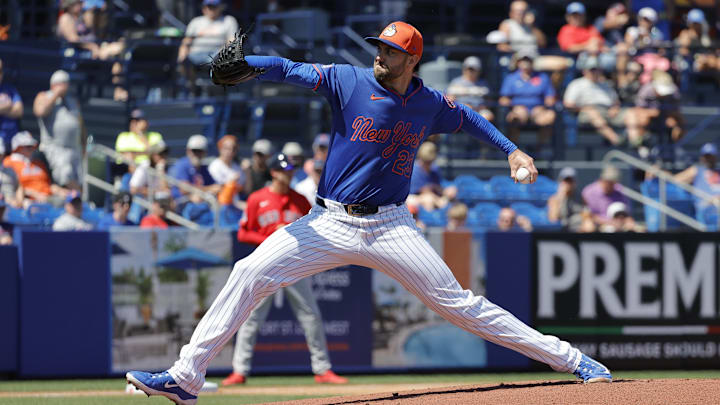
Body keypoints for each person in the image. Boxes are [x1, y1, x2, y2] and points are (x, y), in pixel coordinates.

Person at [126, 22, 611, 405]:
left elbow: (472, 120)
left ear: (411, 58)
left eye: (390, 50)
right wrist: (250, 64)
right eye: (378, 47)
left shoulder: (429, 103)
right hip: (327, 222)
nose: (379, 54)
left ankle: (573, 360)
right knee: (249, 271)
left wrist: (512, 151)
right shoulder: (348, 79)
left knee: (461, 307)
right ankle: (186, 377)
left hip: (390, 226)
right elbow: (292, 69)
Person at [222, 154, 348, 386]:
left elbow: (316, 232)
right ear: (273, 173)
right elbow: (243, 233)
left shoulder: (300, 200)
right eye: (283, 170)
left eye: (290, 170)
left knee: (310, 316)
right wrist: (271, 237)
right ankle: (239, 371)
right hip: (265, 264)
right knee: (250, 317)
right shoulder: (256, 199)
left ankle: (322, 370)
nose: (288, 174)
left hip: (295, 264)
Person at [33, 70, 85, 189]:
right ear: (53, 85)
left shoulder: (73, 100)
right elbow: (40, 111)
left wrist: (83, 144)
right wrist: (55, 95)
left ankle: (78, 203)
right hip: (55, 148)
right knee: (65, 178)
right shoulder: (44, 96)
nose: (64, 86)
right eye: (61, 83)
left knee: (80, 181)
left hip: (74, 148)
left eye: (66, 83)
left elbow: (80, 124)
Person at [563, 57, 627, 145]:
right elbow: (568, 104)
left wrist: (615, 108)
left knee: (633, 113)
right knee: (593, 113)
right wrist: (585, 108)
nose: (595, 72)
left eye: (597, 70)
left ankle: (637, 145)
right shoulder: (576, 84)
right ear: (584, 71)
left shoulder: (606, 84)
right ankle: (618, 141)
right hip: (585, 112)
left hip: (608, 111)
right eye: (592, 70)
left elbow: (616, 101)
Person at [178, 0, 238, 94]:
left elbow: (232, 42)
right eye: (208, 7)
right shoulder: (196, 22)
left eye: (214, 7)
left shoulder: (229, 20)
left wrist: (223, 51)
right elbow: (186, 42)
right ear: (203, 8)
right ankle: (192, 88)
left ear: (220, 8)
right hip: (196, 54)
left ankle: (217, 89)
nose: (211, 9)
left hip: (217, 54)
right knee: (184, 61)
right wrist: (181, 56)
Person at [499, 51, 556, 147]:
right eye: (523, 60)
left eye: (528, 60)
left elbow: (550, 97)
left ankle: (539, 149)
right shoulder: (511, 78)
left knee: (550, 117)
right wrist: (513, 106)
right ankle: (513, 151)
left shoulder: (543, 77)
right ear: (518, 62)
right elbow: (503, 99)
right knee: (514, 118)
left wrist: (546, 105)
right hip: (519, 110)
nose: (526, 63)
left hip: (538, 110)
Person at [2, 131, 67, 205]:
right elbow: (11, 187)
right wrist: (34, 194)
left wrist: (58, 190)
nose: (32, 149)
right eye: (28, 146)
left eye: (33, 146)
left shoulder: (38, 163)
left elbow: (47, 184)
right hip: (27, 201)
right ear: (17, 148)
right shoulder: (8, 162)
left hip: (49, 199)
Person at [625, 70, 683, 146]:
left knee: (676, 123)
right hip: (648, 118)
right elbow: (638, 109)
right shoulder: (646, 90)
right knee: (641, 118)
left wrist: (677, 125)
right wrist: (652, 113)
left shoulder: (674, 92)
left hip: (666, 116)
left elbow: (677, 111)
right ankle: (639, 144)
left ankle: (673, 146)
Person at [672, 143, 720, 222]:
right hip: (705, 206)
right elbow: (675, 179)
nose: (709, 159)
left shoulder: (718, 171)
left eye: (711, 157)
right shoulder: (697, 170)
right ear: (702, 157)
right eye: (707, 157)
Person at [168, 135, 220, 204]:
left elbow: (216, 186)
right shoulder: (182, 164)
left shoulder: (203, 168)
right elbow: (185, 189)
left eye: (200, 151)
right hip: (181, 203)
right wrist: (208, 189)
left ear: (205, 153)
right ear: (188, 151)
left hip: (199, 203)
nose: (197, 154)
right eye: (194, 151)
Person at [407, 142, 456, 212]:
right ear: (420, 158)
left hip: (434, 197)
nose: (428, 164)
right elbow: (423, 191)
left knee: (451, 192)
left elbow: (439, 186)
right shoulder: (414, 170)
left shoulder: (434, 169)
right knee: (428, 199)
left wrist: (447, 191)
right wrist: (438, 199)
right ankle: (429, 221)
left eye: (430, 161)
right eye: (426, 161)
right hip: (412, 198)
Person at [445, 56, 493, 122]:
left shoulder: (483, 83)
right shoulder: (456, 82)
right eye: (468, 69)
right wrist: (463, 106)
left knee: (488, 116)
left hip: (479, 111)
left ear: (479, 71)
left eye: (473, 69)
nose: (470, 71)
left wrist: (480, 107)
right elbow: (449, 99)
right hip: (461, 111)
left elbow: (488, 101)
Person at [675, 9, 718, 73]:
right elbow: (683, 52)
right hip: (688, 66)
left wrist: (706, 60)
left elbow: (711, 53)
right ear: (689, 23)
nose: (696, 26)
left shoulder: (705, 37)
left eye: (698, 23)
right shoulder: (685, 34)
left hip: (705, 66)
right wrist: (698, 58)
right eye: (694, 23)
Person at [546, 167, 588, 232]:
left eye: (570, 181)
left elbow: (586, 216)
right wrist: (561, 196)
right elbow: (553, 219)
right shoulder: (554, 199)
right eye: (566, 181)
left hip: (577, 229)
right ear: (561, 182)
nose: (568, 184)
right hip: (561, 231)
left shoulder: (581, 197)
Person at [210, 135, 246, 208]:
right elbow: (217, 188)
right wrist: (232, 181)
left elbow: (244, 188)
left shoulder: (237, 167)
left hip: (235, 202)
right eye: (226, 148)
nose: (230, 151)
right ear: (220, 148)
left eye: (233, 149)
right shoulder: (215, 166)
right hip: (219, 204)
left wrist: (247, 171)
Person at [0, 57, 23, 154]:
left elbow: (19, 111)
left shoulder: (10, 90)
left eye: (0, 71)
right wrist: (7, 106)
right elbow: (12, 107)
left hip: (11, 141)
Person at [0, 140, 21, 208]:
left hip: (13, 204)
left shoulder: (10, 170)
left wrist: (19, 200)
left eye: (0, 154)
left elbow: (19, 187)